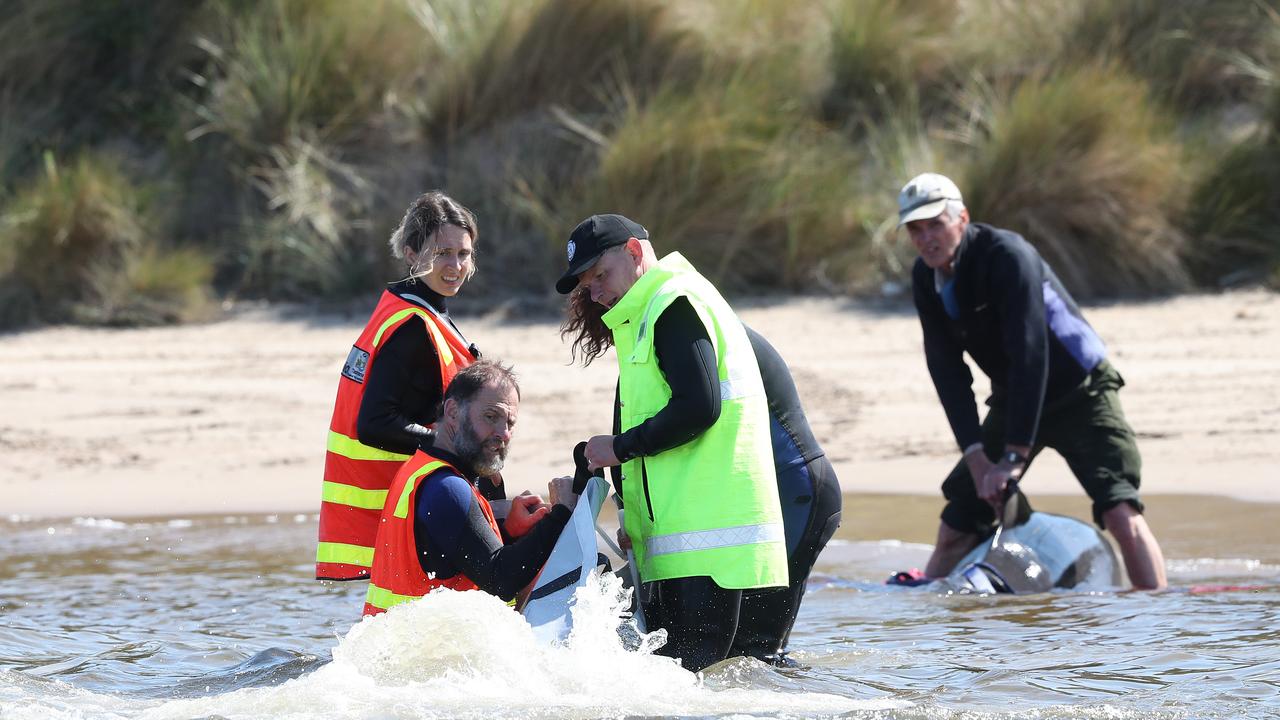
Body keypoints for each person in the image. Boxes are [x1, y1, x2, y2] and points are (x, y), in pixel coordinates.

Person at [893, 172, 1167, 590]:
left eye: (936, 224)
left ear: (962, 219)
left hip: (1081, 392)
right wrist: (978, 459)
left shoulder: (1007, 255)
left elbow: (1030, 353)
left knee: (1120, 512)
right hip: (1014, 398)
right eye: (916, 229)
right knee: (955, 526)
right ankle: (931, 608)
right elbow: (947, 372)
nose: (926, 237)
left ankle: (1158, 616)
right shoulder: (925, 278)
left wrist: (1013, 458)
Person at [557, 213, 788, 672]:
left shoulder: (672, 303)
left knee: (688, 685)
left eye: (600, 276)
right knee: (715, 686)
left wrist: (618, 448)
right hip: (694, 537)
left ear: (635, 253)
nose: (596, 293)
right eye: (587, 285)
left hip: (708, 543)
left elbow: (700, 408)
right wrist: (636, 520)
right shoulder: (649, 312)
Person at [317, 190, 494, 582]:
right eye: (442, 253)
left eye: (463, 254)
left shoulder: (412, 310)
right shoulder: (412, 326)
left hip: (413, 506)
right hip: (413, 510)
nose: (455, 266)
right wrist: (462, 454)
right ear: (412, 253)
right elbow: (375, 424)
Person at [363, 359, 577, 615]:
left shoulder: (422, 470)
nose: (504, 434)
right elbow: (501, 580)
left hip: (407, 647)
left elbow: (454, 557)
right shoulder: (445, 488)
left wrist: (507, 531)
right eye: (491, 417)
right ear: (453, 412)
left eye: (510, 423)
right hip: (432, 652)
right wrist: (560, 514)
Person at [729, 327, 843, 665]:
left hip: (797, 495)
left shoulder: (693, 326)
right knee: (743, 657)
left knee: (757, 655)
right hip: (774, 497)